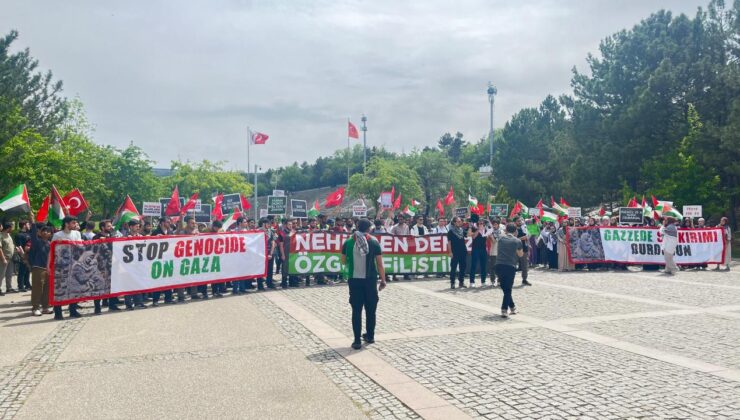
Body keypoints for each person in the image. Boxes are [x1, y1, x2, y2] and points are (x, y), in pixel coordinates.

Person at [340, 218, 387, 350]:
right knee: (371, 309)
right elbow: (380, 264)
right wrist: (383, 280)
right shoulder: (373, 241)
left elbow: (343, 261)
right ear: (369, 229)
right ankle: (370, 336)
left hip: (354, 280)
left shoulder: (348, 242)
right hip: (370, 280)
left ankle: (356, 341)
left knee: (356, 310)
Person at [51, 216, 83, 319]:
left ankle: (73, 310)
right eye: (73, 223)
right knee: (59, 289)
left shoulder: (77, 234)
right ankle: (58, 313)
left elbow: (80, 246)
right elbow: (52, 250)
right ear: (67, 224)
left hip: (74, 264)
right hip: (60, 266)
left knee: (74, 288)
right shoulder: (57, 235)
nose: (75, 225)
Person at [495, 223, 524, 318]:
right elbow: (520, 255)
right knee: (508, 289)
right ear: (515, 231)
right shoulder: (517, 241)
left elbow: (500, 235)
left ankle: (512, 307)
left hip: (499, 265)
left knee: (505, 288)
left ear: (506, 230)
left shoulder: (501, 239)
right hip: (510, 266)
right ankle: (504, 309)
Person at [28, 211, 53, 316]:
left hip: (48, 268)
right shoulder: (37, 242)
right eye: (44, 231)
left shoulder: (51, 244)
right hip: (38, 268)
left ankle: (45, 307)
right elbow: (33, 233)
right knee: (37, 289)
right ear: (40, 233)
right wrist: (32, 221)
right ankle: (35, 308)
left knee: (47, 289)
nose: (46, 232)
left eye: (48, 231)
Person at [123, 219, 148, 309]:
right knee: (128, 284)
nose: (138, 227)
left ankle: (139, 302)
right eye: (136, 226)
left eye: (139, 226)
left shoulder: (141, 236)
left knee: (138, 282)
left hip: (139, 263)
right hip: (128, 264)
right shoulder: (124, 237)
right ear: (130, 227)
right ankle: (128, 304)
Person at [447, 216, 467, 289]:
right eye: (458, 221)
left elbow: (468, 235)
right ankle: (452, 283)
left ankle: (461, 282)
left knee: (463, 267)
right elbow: (449, 243)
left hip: (463, 251)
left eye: (460, 221)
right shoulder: (451, 231)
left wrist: (471, 226)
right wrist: (450, 252)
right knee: (453, 267)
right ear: (454, 223)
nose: (460, 223)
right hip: (455, 252)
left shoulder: (462, 230)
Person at [468, 220, 488, 287]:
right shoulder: (474, 229)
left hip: (483, 249)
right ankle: (472, 281)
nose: (480, 224)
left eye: (481, 223)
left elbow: (488, 238)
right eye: (478, 223)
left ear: (484, 224)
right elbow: (473, 237)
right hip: (475, 249)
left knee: (483, 266)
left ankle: (483, 281)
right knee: (473, 265)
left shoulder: (486, 230)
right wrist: (478, 230)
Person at [14, 220, 32, 291]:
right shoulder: (19, 235)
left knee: (27, 270)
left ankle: (27, 284)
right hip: (23, 254)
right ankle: (20, 286)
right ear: (24, 225)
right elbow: (19, 246)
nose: (29, 225)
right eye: (28, 224)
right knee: (22, 271)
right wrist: (23, 255)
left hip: (29, 254)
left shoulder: (28, 233)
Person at [513, 217, 531, 285]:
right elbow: (513, 238)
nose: (520, 222)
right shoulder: (513, 229)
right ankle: (511, 279)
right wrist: (521, 238)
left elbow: (527, 237)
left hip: (524, 248)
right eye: (518, 221)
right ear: (515, 222)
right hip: (516, 249)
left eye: (520, 221)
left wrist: (528, 246)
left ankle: (524, 279)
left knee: (525, 265)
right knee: (513, 265)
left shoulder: (524, 228)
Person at [0, 222, 16, 294]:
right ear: (8, 228)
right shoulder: (1, 236)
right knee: (1, 274)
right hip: (4, 258)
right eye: (12, 227)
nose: (12, 228)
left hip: (10, 257)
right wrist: (3, 259)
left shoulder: (9, 235)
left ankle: (9, 288)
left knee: (9, 274)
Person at [485, 219, 502, 286]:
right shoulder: (490, 231)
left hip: (499, 251)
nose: (494, 226)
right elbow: (488, 240)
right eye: (493, 224)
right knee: (492, 267)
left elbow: (495, 241)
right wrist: (488, 236)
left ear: (498, 225)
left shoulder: (500, 231)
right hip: (492, 251)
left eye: (496, 224)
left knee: (500, 267)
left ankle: (499, 281)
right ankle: (492, 280)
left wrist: (491, 235)